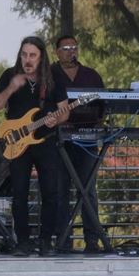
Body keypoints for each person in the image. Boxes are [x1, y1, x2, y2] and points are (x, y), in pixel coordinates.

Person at [0, 35, 72, 255]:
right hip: (17, 143)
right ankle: (23, 242)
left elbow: (65, 110)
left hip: (45, 141)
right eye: (24, 54)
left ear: (41, 57)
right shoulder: (9, 75)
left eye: (32, 55)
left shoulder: (53, 77)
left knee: (51, 192)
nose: (28, 59)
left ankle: (46, 241)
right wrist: (10, 89)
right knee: (19, 193)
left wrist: (57, 119)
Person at [53, 30, 110, 254]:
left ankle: (92, 241)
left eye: (74, 47)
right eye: (66, 48)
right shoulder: (50, 74)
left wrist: (96, 121)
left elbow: (104, 104)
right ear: (57, 52)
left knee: (88, 190)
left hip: (87, 140)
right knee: (61, 190)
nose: (71, 52)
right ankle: (63, 241)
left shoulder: (91, 75)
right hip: (59, 139)